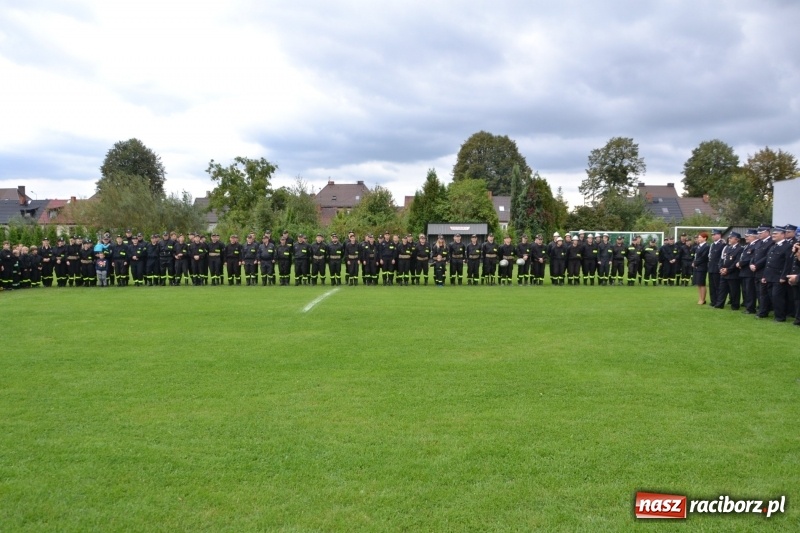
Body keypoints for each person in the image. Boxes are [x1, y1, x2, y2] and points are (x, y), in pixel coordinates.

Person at [758, 226, 793, 322]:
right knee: (771, 296)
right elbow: (768, 263)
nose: (773, 235)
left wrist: (783, 277)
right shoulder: (773, 246)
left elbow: (788, 263)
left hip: (779, 277)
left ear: (783, 234)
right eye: (773, 234)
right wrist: (764, 276)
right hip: (770, 276)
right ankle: (776, 314)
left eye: (775, 234)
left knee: (777, 297)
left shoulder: (787, 246)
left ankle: (780, 317)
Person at [716, 232, 743, 310]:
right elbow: (721, 259)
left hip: (733, 273)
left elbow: (737, 261)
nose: (729, 239)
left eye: (731, 238)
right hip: (723, 272)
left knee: (734, 291)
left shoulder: (740, 249)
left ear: (737, 239)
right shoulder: (727, 248)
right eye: (729, 237)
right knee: (722, 289)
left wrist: (728, 270)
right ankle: (719, 304)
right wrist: (721, 268)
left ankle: (735, 305)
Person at [737, 229, 758, 314]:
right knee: (745, 290)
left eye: (747, 236)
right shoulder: (748, 245)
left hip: (749, 272)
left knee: (750, 291)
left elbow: (750, 258)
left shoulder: (756, 245)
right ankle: (747, 306)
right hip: (744, 271)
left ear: (753, 236)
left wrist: (740, 263)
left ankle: (751, 308)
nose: (746, 238)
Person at [708, 229, 725, 306]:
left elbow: (722, 257)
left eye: (714, 234)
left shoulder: (722, 244)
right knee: (711, 286)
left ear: (719, 235)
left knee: (717, 286)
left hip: (717, 268)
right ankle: (713, 301)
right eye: (712, 235)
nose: (713, 236)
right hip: (711, 267)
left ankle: (718, 301)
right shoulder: (712, 245)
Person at [692, 232, 710, 304]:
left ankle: (703, 299)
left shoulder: (706, 246)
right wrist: (694, 262)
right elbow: (696, 256)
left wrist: (695, 263)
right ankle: (700, 297)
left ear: (704, 238)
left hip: (702, 267)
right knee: (698, 283)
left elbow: (703, 257)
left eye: (700, 237)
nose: (698, 238)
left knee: (702, 283)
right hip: (697, 267)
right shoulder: (698, 246)